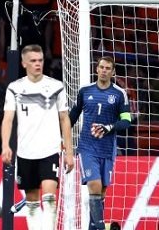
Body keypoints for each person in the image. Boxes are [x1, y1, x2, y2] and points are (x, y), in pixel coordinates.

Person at [2, 45, 75, 230]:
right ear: (24, 63)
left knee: (49, 199)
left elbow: (64, 119)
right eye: (33, 61)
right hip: (25, 152)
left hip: (50, 150)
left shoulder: (56, 86)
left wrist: (69, 151)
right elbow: (8, 118)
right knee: (32, 202)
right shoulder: (15, 88)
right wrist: (5, 146)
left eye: (40, 60)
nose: (38, 64)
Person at [68, 56, 132, 230]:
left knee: (101, 192)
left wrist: (109, 127)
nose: (104, 70)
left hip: (107, 149)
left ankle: (94, 227)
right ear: (96, 69)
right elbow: (72, 117)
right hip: (87, 147)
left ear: (113, 72)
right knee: (94, 185)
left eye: (108, 68)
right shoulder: (85, 91)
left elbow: (126, 121)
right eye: (101, 67)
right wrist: (61, 138)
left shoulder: (119, 94)